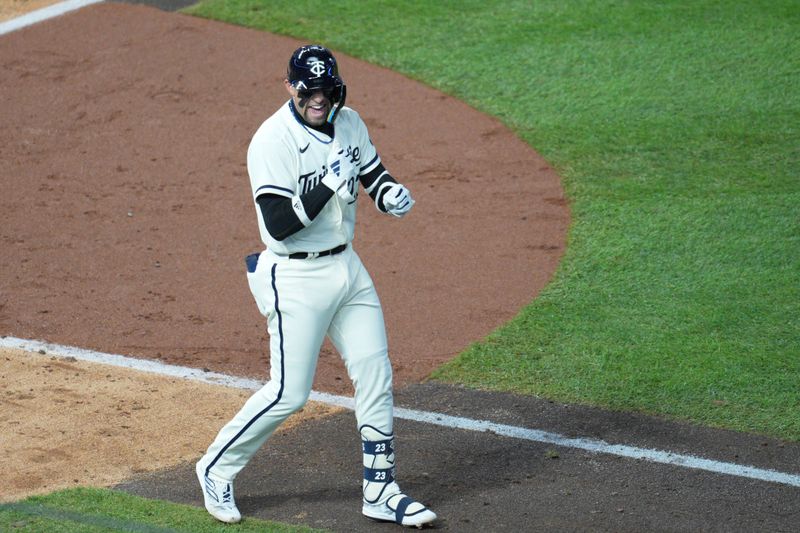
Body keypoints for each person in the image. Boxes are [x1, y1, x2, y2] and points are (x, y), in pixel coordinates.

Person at [195, 44, 437, 529]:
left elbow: (372, 173)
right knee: (289, 392)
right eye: (309, 93)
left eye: (326, 91)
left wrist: (391, 196)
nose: (319, 101)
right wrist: (326, 184)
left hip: (347, 268)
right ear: (291, 88)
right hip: (296, 277)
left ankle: (380, 489)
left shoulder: (350, 122)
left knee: (375, 372)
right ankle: (216, 468)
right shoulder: (271, 141)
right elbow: (279, 224)